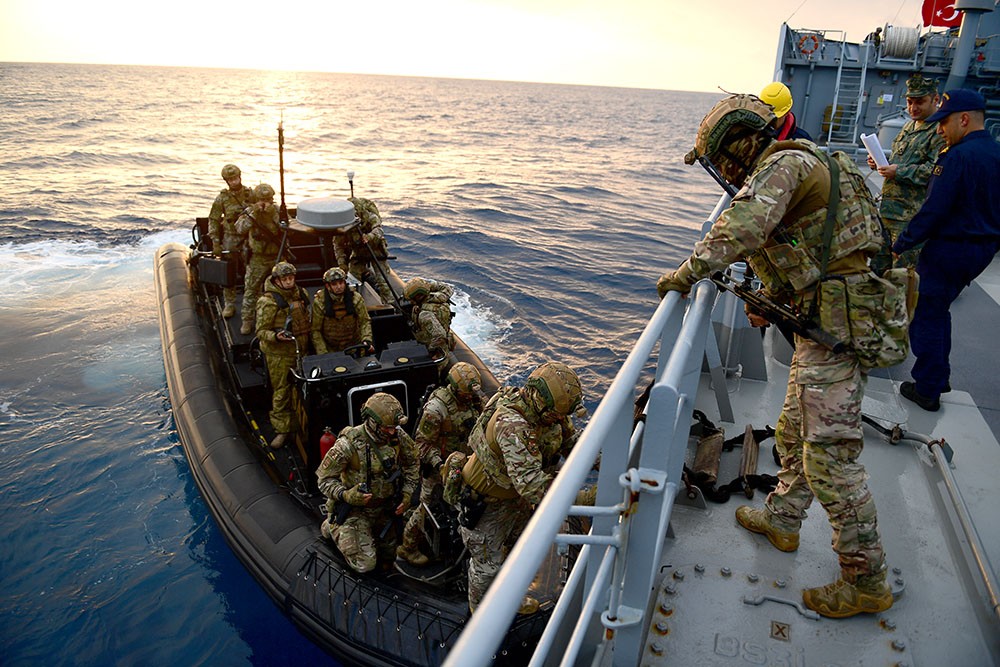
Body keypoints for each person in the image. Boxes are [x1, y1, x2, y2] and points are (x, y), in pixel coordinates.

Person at [657, 94, 892, 618]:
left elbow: (740, 228)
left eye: (722, 160)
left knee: (830, 459)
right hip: (825, 325)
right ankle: (784, 520)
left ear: (739, 148)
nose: (723, 172)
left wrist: (684, 275)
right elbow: (816, 246)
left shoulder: (785, 165)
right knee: (790, 433)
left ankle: (867, 576)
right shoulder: (807, 158)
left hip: (838, 330)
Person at [893, 89, 1000, 412]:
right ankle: (940, 375)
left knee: (925, 315)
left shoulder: (956, 158)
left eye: (945, 123)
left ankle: (927, 388)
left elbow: (934, 210)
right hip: (980, 251)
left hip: (949, 250)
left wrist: (902, 242)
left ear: (964, 120)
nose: (940, 129)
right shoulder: (994, 154)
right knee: (940, 312)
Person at [457, 361, 584, 614]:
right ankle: (480, 615)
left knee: (517, 548)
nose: (559, 420)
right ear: (539, 399)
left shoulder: (550, 415)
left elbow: (573, 443)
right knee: (486, 566)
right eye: (555, 414)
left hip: (516, 499)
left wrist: (608, 461)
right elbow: (533, 487)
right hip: (488, 503)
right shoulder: (511, 424)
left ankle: (509, 597)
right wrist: (587, 498)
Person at [316, 392, 420, 574]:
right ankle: (333, 528)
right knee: (365, 563)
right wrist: (345, 494)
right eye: (386, 428)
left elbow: (412, 463)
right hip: (356, 510)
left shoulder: (397, 436)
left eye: (393, 427)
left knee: (389, 556)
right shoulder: (348, 445)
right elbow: (324, 480)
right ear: (372, 422)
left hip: (386, 507)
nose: (391, 432)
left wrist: (407, 493)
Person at [397, 362, 485, 566]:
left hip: (466, 464)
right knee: (425, 509)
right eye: (465, 394)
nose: (469, 397)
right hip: (439, 468)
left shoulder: (473, 400)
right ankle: (408, 547)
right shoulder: (437, 409)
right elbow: (422, 445)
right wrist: (441, 466)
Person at [867, 74, 945, 271]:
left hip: (910, 217)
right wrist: (880, 163)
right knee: (878, 269)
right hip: (888, 211)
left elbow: (935, 171)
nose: (913, 108)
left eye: (920, 102)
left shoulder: (939, 131)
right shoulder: (909, 125)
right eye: (910, 102)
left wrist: (899, 171)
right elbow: (902, 159)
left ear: (935, 100)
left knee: (902, 274)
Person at [256, 262, 311, 449]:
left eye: (291, 278)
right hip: (279, 354)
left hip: (301, 350)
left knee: (301, 389)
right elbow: (261, 332)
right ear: (277, 280)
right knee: (281, 391)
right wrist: (276, 337)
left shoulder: (301, 294)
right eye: (285, 279)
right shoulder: (268, 302)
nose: (289, 282)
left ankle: (299, 424)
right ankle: (282, 430)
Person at [207, 164, 255, 318]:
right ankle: (229, 303)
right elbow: (213, 220)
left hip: (249, 238)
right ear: (226, 181)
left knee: (253, 271)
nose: (234, 182)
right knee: (229, 272)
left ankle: (253, 302)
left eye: (235, 178)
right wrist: (215, 242)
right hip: (231, 239)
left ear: (240, 176)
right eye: (230, 179)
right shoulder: (222, 198)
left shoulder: (251, 194)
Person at [236, 183, 284, 336]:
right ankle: (247, 320)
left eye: (268, 199)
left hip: (277, 256)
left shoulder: (277, 211)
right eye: (262, 199)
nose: (265, 203)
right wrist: (255, 214)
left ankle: (281, 319)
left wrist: (274, 215)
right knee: (251, 289)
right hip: (258, 258)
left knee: (283, 289)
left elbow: (287, 228)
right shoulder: (250, 212)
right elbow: (240, 228)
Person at [334, 196, 394, 304]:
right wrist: (342, 263)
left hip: (375, 250)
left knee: (383, 281)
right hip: (359, 252)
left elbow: (379, 230)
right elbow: (338, 245)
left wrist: (369, 236)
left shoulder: (370, 217)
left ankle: (390, 304)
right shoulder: (344, 224)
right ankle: (353, 303)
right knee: (352, 280)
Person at [310, 267, 374, 356]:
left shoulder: (355, 298)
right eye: (334, 284)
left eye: (341, 283)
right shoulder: (320, 303)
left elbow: (364, 321)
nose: (339, 287)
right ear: (328, 286)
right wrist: (323, 354)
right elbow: (315, 330)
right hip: (331, 349)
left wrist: (366, 340)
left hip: (354, 347)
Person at [403, 277, 454, 358]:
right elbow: (446, 287)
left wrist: (430, 351)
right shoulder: (440, 298)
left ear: (419, 296)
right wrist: (426, 286)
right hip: (445, 335)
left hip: (433, 348)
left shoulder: (425, 315)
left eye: (412, 299)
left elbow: (440, 336)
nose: (411, 302)